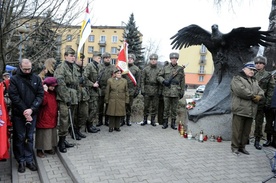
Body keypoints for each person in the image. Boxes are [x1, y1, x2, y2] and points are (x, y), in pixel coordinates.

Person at [8, 59, 44, 173]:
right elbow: (14, 96)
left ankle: (29, 159)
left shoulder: (36, 78)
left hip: (32, 112)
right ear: (20, 67)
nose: (27, 71)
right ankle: (21, 160)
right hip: (19, 114)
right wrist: (25, 110)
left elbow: (40, 95)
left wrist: (32, 109)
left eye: (29, 69)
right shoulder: (14, 79)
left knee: (30, 137)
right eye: (25, 69)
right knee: (20, 137)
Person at [230, 61, 264, 156]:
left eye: (253, 70)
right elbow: (241, 91)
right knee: (237, 131)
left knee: (246, 132)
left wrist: (260, 96)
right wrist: (254, 96)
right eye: (250, 69)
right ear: (244, 69)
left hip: (251, 110)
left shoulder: (254, 81)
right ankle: (235, 148)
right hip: (240, 109)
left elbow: (261, 91)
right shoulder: (237, 78)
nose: (252, 71)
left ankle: (242, 147)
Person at [54, 48, 78, 153]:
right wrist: (66, 98)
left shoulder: (73, 67)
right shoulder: (61, 67)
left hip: (73, 95)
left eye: (74, 56)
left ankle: (64, 140)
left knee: (70, 119)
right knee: (64, 119)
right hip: (64, 97)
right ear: (65, 56)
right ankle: (61, 142)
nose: (73, 57)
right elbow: (60, 84)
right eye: (70, 55)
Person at [157, 53, 185, 130]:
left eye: (175, 58)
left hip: (176, 91)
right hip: (167, 91)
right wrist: (163, 81)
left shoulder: (180, 69)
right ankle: (165, 122)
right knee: (166, 108)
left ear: (177, 59)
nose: (174, 59)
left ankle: (173, 123)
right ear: (170, 59)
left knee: (174, 109)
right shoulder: (165, 68)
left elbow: (182, 81)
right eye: (172, 58)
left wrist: (182, 91)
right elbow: (159, 76)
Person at [253, 56, 275, 149]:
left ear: (264, 65)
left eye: (260, 63)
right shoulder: (252, 74)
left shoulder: (268, 75)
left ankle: (263, 140)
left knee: (264, 122)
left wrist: (268, 103)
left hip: (264, 102)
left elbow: (271, 90)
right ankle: (251, 139)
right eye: (257, 63)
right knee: (253, 121)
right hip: (253, 102)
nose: (258, 65)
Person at [35, 77, 58, 158]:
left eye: (54, 86)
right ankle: (39, 150)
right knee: (42, 134)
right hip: (44, 116)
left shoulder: (53, 92)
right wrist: (45, 92)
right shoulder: (42, 92)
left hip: (51, 116)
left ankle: (48, 148)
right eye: (51, 86)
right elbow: (42, 103)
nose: (53, 87)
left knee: (50, 133)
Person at [140, 54, 162, 126]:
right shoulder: (145, 69)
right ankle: (145, 119)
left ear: (156, 60)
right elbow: (142, 80)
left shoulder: (160, 70)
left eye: (155, 60)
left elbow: (161, 82)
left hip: (156, 89)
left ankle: (153, 120)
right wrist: (142, 90)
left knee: (154, 106)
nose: (153, 61)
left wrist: (160, 91)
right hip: (147, 89)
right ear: (150, 60)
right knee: (146, 106)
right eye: (152, 59)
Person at [83, 51, 102, 133]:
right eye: (98, 58)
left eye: (100, 58)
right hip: (90, 91)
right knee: (92, 109)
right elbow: (84, 78)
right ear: (94, 57)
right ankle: (88, 125)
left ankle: (91, 124)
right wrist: (92, 84)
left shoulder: (97, 66)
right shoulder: (89, 66)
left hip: (95, 91)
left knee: (94, 109)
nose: (100, 59)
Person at [121, 53, 141, 126]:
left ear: (133, 60)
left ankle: (128, 120)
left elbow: (138, 80)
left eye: (131, 59)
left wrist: (137, 90)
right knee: (123, 105)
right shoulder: (123, 67)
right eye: (128, 58)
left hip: (132, 90)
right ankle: (122, 120)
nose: (129, 60)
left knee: (129, 105)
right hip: (123, 90)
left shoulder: (137, 69)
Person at [98, 52, 116, 127]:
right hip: (100, 88)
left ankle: (107, 120)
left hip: (109, 89)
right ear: (103, 59)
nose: (108, 59)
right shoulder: (99, 66)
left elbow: (116, 77)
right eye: (106, 58)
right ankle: (99, 120)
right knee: (100, 105)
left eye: (109, 58)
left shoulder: (113, 67)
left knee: (108, 105)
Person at [73, 54, 89, 139]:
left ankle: (78, 129)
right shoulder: (73, 69)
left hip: (84, 95)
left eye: (84, 59)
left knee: (84, 114)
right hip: (76, 95)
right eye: (81, 59)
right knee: (75, 115)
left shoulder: (84, 69)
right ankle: (74, 131)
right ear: (75, 60)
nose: (83, 61)